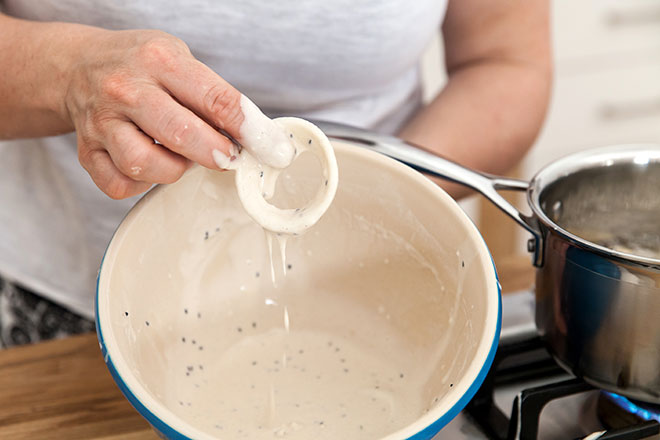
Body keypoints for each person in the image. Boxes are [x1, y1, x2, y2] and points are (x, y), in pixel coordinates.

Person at [0, 1, 551, 348]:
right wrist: (68, 73)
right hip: (67, 289)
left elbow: (505, 61)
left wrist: (372, 194)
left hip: (375, 284)